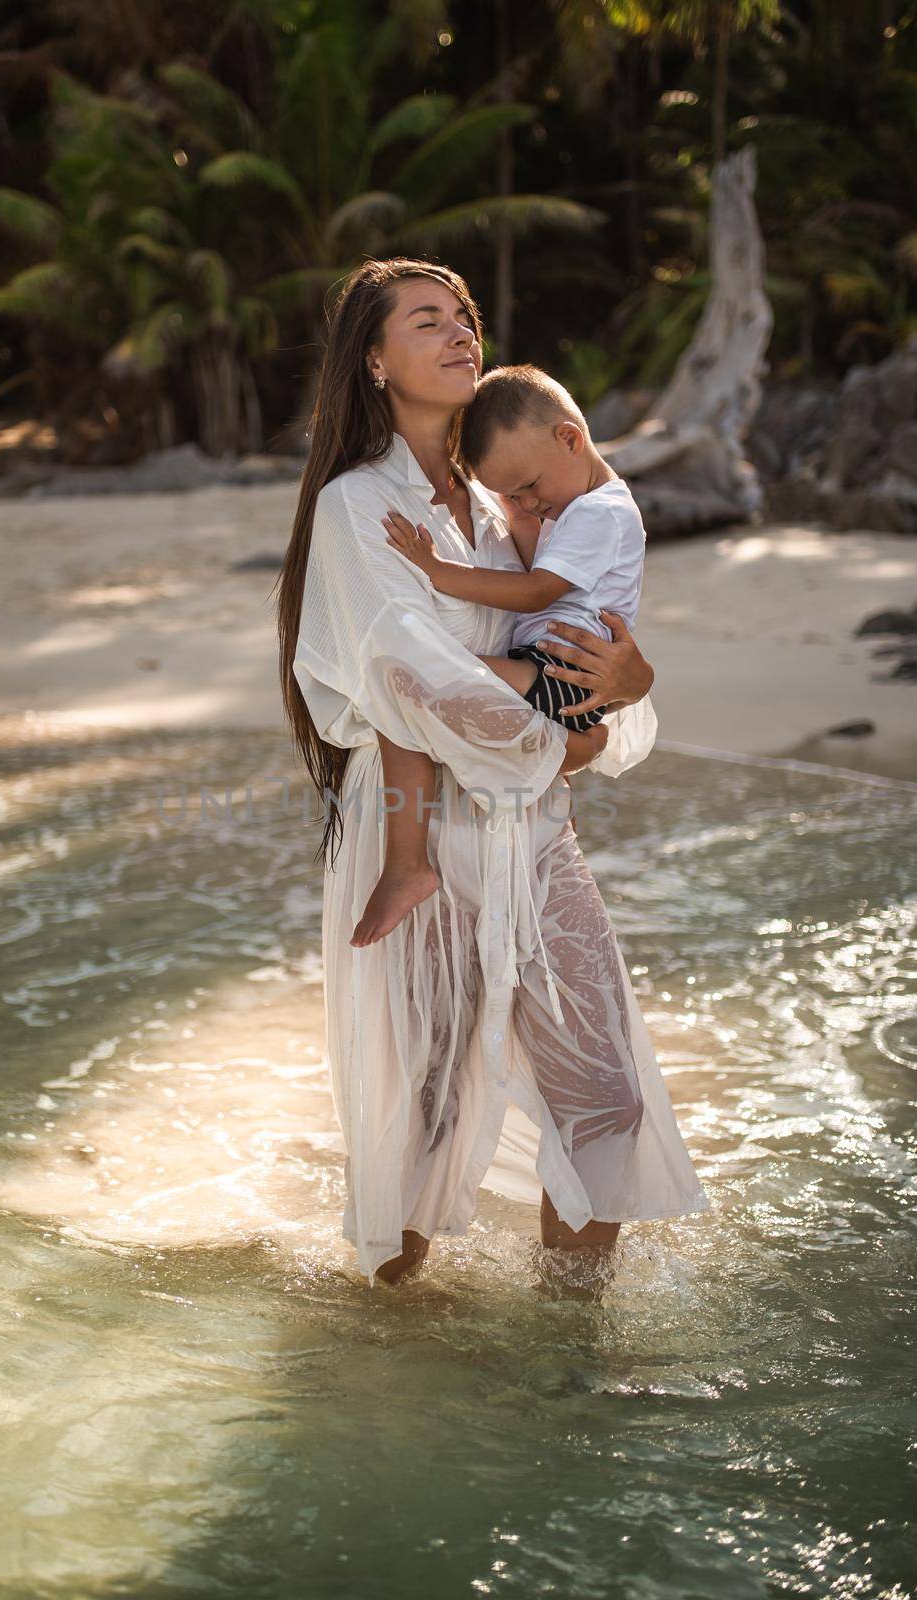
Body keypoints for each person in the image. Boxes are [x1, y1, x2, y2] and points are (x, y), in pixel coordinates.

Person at [276, 256, 710, 1288]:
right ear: (374, 360)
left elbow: (590, 651)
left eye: (464, 316)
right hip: (412, 834)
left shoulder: (510, 507)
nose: (459, 332)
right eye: (426, 321)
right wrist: (570, 738)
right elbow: (411, 681)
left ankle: (572, 1353)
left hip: (534, 831)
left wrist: (631, 688)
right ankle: (395, 1358)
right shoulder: (355, 509)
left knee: (605, 1089)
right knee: (426, 1113)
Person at [351, 362, 649, 948]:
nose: (528, 503)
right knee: (420, 684)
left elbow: (538, 589)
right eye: (513, 495)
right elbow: (541, 561)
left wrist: (438, 571)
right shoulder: (572, 507)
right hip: (555, 671)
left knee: (423, 676)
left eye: (530, 488)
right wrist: (519, 513)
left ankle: (409, 862)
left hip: (563, 671)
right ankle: (561, 765)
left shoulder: (600, 512)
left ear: (570, 438)